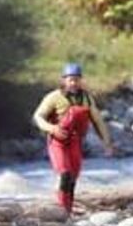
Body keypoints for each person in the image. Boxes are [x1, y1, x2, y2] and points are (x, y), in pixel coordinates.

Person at [33, 63, 112, 214]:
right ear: (64, 80)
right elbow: (38, 117)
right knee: (64, 174)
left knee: (73, 178)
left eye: (77, 79)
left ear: (81, 80)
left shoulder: (86, 98)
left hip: (75, 142)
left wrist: (107, 143)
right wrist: (52, 128)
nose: (74, 83)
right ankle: (62, 211)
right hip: (58, 142)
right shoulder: (53, 97)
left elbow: (97, 121)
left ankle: (67, 211)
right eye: (70, 79)